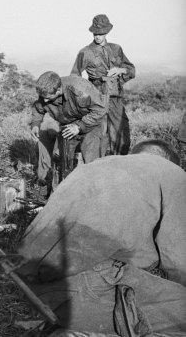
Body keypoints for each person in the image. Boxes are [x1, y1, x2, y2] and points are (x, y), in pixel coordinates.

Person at [16, 140, 186, 335]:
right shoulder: (174, 173)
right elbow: (178, 259)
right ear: (170, 161)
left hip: (29, 288)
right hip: (82, 288)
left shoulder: (93, 167)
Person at [71, 14, 135, 156]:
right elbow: (75, 77)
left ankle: (119, 166)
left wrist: (119, 70)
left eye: (101, 33)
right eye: (95, 33)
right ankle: (95, 169)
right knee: (97, 137)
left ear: (107, 32)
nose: (98, 36)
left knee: (121, 135)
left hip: (115, 98)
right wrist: (83, 97)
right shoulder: (85, 52)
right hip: (96, 98)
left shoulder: (116, 49)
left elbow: (131, 70)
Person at [29, 71, 108, 185]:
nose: (45, 101)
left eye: (48, 98)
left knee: (91, 155)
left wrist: (79, 126)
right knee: (65, 160)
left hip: (92, 122)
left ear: (59, 90)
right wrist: (35, 125)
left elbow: (100, 110)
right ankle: (66, 187)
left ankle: (94, 188)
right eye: (43, 97)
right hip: (68, 124)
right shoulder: (46, 91)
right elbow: (38, 109)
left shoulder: (80, 89)